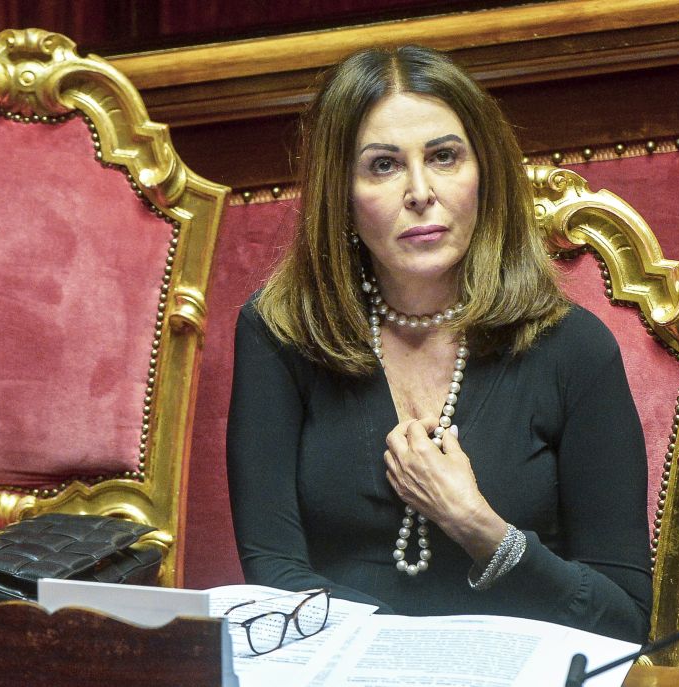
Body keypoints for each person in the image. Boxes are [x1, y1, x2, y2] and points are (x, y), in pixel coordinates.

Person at [226, 45, 652, 643]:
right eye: (383, 166)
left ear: (484, 174)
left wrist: (478, 527)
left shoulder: (573, 349)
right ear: (339, 193)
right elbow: (275, 574)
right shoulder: (281, 333)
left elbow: (625, 620)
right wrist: (412, 660)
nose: (420, 191)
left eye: (444, 156)